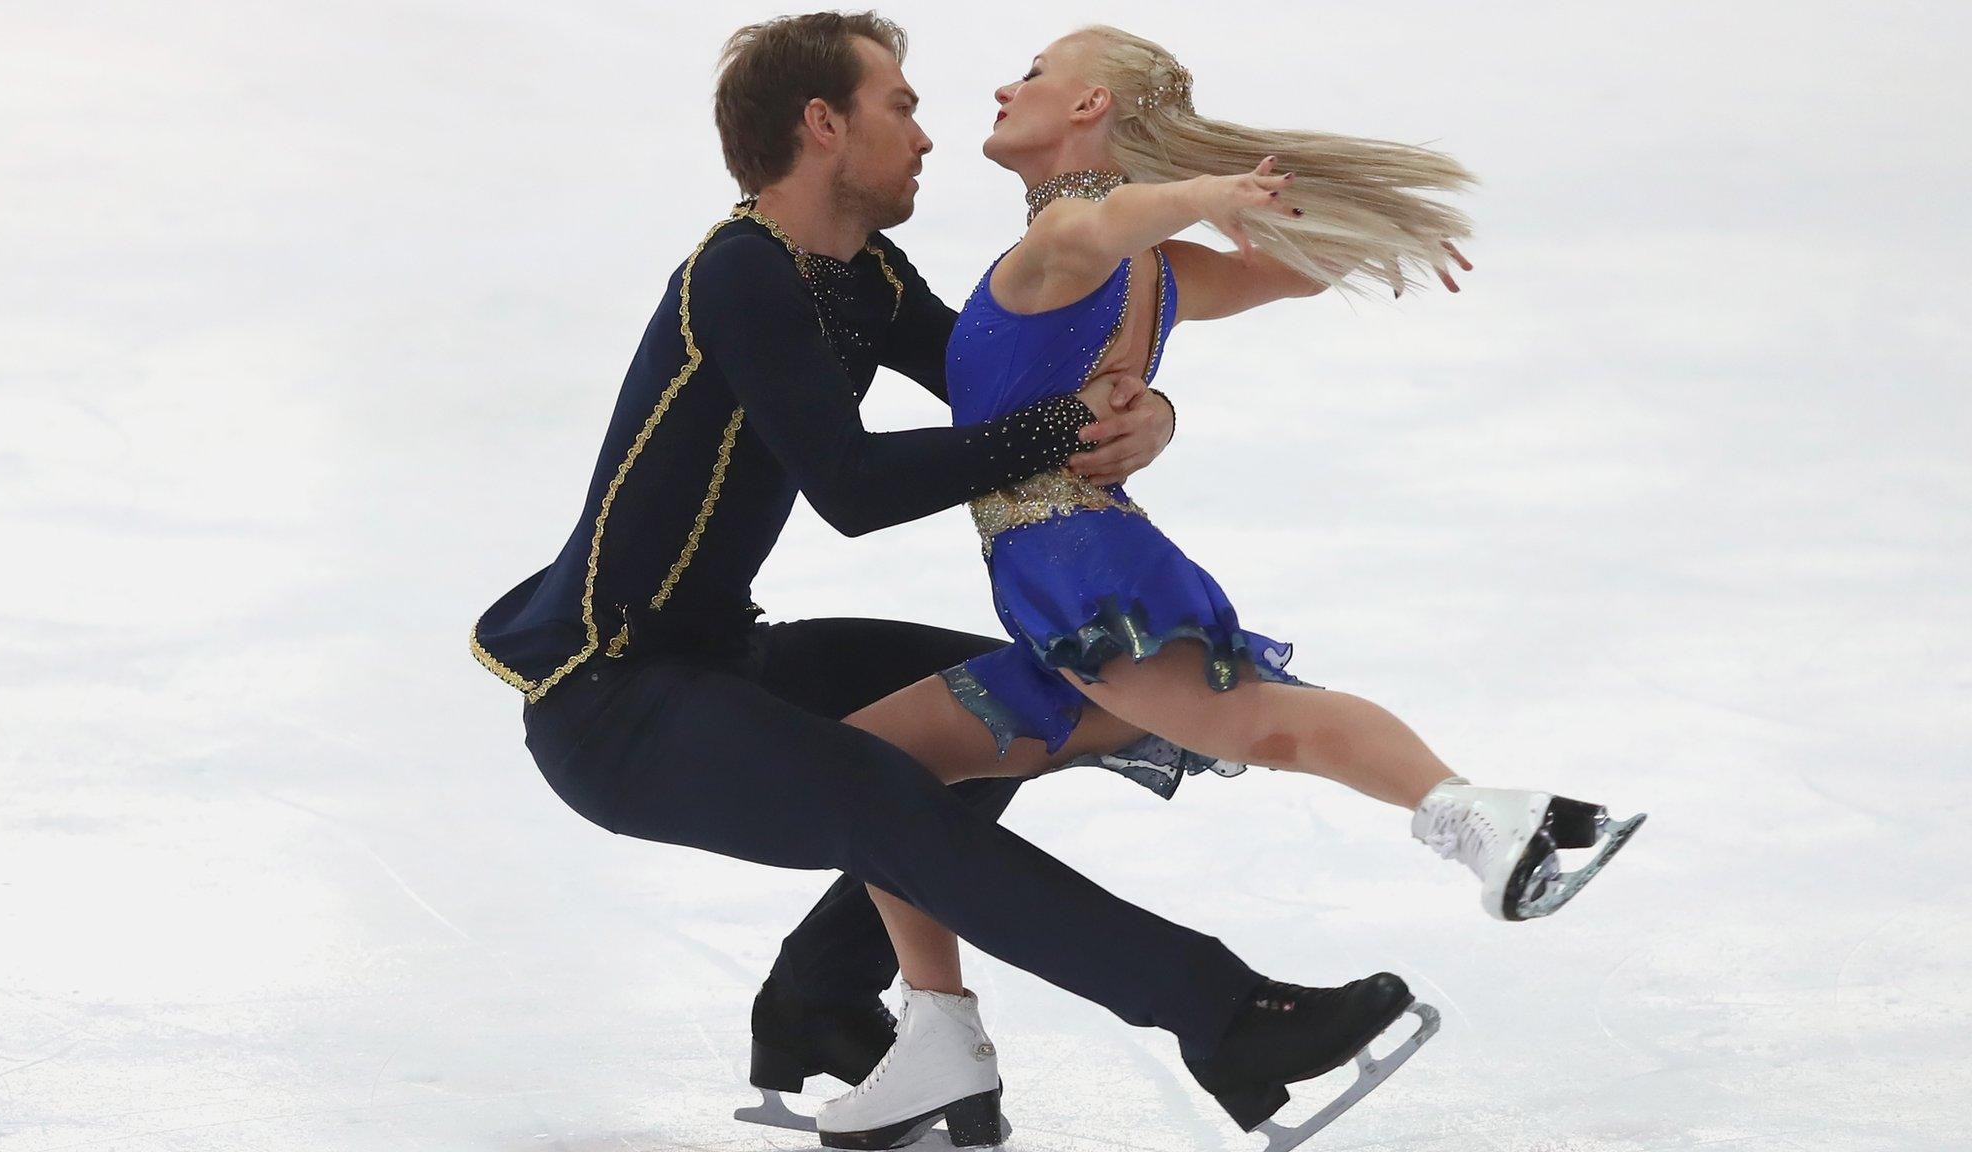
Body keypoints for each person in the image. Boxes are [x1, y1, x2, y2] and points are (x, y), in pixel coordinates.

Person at [470, 12, 1434, 1151]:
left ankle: (816, 1003)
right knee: (886, 798)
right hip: (614, 705)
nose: (926, 135)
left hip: (724, 658)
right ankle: (1222, 1015)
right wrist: (1057, 425)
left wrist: (1148, 416)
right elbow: (852, 484)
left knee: (1006, 697)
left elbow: (1000, 395)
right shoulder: (741, 275)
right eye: (901, 106)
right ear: (823, 125)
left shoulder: (858, 274)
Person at [811, 24, 1644, 1148]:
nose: (1005, 87)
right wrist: (1332, 223)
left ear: (1089, 106)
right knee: (876, 767)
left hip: (1083, 573)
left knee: (1261, 722)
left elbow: (1110, 217)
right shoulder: (1140, 267)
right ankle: (936, 1037)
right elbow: (1287, 272)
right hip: (1062, 584)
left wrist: (1205, 187)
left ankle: (1489, 823)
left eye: (1036, 75)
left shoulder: (1078, 236)